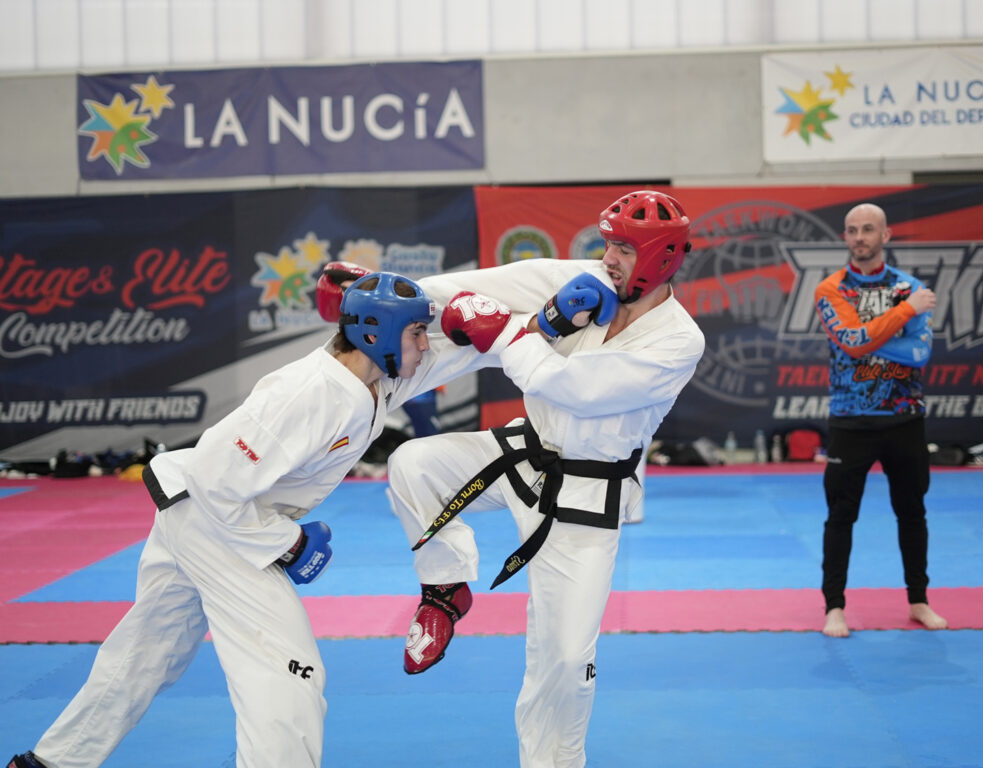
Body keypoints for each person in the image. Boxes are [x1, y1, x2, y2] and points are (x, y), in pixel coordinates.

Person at [8, 271, 523, 768]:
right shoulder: (306, 395)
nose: (426, 344)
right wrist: (288, 542)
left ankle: (48, 763)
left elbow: (457, 353)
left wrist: (524, 329)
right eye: (416, 333)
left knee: (145, 656)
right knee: (288, 676)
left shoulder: (379, 376)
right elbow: (213, 481)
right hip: (214, 521)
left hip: (208, 514)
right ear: (377, 336)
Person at [387, 190, 706, 767]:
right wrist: (389, 291)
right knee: (411, 465)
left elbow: (575, 389)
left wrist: (505, 333)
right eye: (608, 244)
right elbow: (484, 286)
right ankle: (444, 590)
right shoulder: (585, 278)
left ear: (660, 257)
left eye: (624, 249)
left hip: (586, 496)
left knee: (563, 662)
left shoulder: (679, 340)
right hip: (522, 453)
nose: (608, 258)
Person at [814, 202, 948, 639]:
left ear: (885, 235)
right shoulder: (831, 289)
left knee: (912, 512)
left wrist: (867, 338)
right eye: (852, 230)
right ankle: (834, 607)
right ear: (845, 237)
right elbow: (851, 343)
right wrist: (903, 315)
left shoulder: (911, 286)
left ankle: (919, 600)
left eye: (868, 229)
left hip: (904, 417)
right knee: (840, 516)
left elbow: (919, 353)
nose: (860, 237)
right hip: (850, 420)